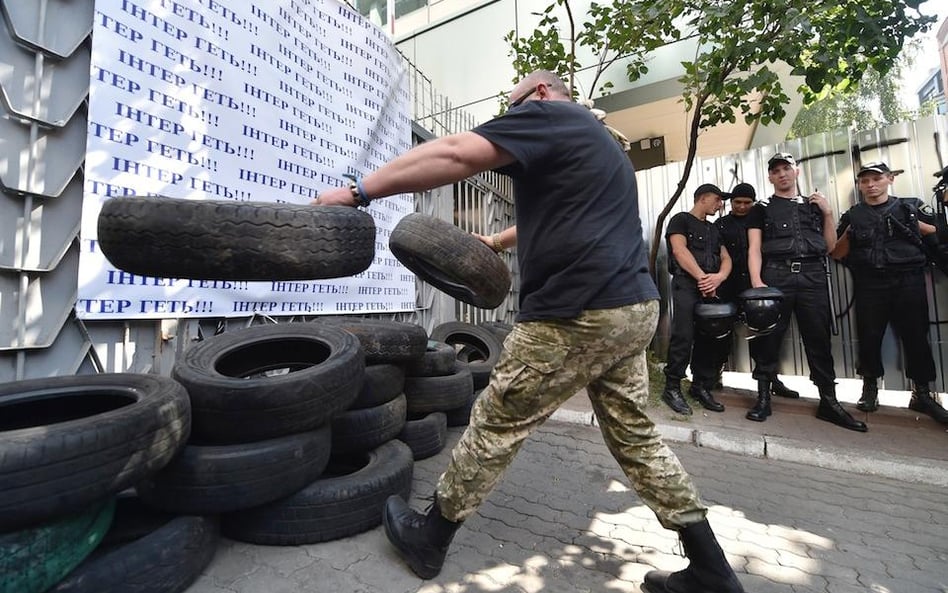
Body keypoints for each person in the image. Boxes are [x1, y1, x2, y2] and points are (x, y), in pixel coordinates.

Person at [316, 70, 744, 593]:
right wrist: (497, 240)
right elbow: (563, 215)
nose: (510, 112)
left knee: (497, 423)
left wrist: (359, 191)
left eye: (512, 102)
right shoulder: (597, 143)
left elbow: (452, 154)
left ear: (539, 94)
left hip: (574, 313)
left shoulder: (548, 115)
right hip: (629, 311)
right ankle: (710, 569)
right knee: (636, 436)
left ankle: (430, 537)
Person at [746, 152, 866, 431]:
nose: (782, 174)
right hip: (776, 275)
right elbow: (754, 248)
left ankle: (829, 402)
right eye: (776, 171)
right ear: (770, 177)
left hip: (813, 275)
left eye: (786, 169)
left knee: (818, 338)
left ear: (796, 172)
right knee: (769, 337)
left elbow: (830, 247)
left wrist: (828, 212)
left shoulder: (814, 206)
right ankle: (763, 397)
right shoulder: (761, 208)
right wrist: (756, 281)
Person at [831, 161, 948, 425]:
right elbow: (836, 253)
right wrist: (850, 233)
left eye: (876, 179)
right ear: (860, 186)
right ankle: (870, 387)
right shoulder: (853, 215)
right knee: (870, 336)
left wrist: (914, 222)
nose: (871, 185)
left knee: (916, 336)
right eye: (865, 181)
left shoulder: (911, 205)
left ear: (889, 180)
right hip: (870, 283)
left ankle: (922, 393)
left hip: (909, 280)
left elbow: (940, 237)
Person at [715, 183, 800, 400]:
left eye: (747, 203)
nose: (743, 207)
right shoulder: (720, 225)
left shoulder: (763, 220)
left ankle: (770, 379)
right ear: (730, 202)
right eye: (738, 202)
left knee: (765, 337)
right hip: (729, 285)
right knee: (721, 332)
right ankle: (713, 376)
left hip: (758, 285)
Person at [660, 183, 732, 415]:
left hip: (709, 288)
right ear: (703, 198)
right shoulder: (680, 220)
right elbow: (680, 251)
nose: (720, 204)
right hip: (687, 286)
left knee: (709, 339)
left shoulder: (713, 230)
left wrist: (718, 278)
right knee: (684, 335)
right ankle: (671, 387)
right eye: (717, 199)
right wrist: (703, 279)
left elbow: (726, 258)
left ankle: (700, 386)